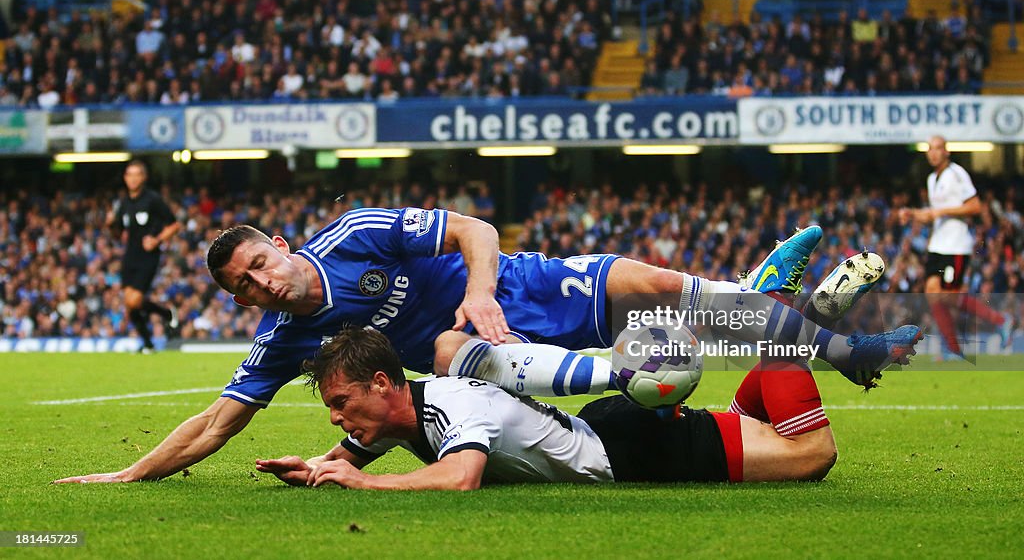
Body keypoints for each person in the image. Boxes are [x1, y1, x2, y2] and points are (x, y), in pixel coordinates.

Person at [54, 211, 918, 484]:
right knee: (452, 351)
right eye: (240, 286)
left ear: (277, 244)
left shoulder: (353, 233)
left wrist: (477, 288)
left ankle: (833, 340)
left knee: (657, 288)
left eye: (256, 265)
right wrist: (131, 474)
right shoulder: (287, 336)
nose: (258, 286)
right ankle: (770, 301)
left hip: (511, 294)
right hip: (482, 353)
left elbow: (475, 226)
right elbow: (219, 422)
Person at [253, 327, 847, 490]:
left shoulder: (453, 409)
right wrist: (312, 468)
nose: (336, 416)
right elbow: (347, 452)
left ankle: (794, 322)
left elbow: (460, 478)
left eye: (340, 402)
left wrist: (364, 486)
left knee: (812, 454)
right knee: (763, 418)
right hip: (609, 429)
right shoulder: (396, 413)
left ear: (382, 384)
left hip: (636, 451)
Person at [899, 136, 1011, 356]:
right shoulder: (932, 179)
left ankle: (1000, 321)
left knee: (947, 297)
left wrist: (942, 211)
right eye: (930, 149)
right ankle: (954, 349)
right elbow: (934, 215)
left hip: (955, 246)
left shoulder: (957, 174)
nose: (933, 153)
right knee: (933, 294)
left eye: (937, 148)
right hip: (938, 245)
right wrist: (912, 214)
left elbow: (975, 206)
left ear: (946, 152)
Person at [107, 160, 181, 352]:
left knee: (133, 300)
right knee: (129, 304)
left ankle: (166, 313)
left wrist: (156, 240)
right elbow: (117, 234)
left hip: (148, 256)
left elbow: (174, 225)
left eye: (136, 174)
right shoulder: (123, 203)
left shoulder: (152, 199)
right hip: (130, 255)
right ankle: (148, 344)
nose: (132, 179)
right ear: (125, 178)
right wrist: (110, 225)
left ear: (143, 177)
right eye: (129, 174)